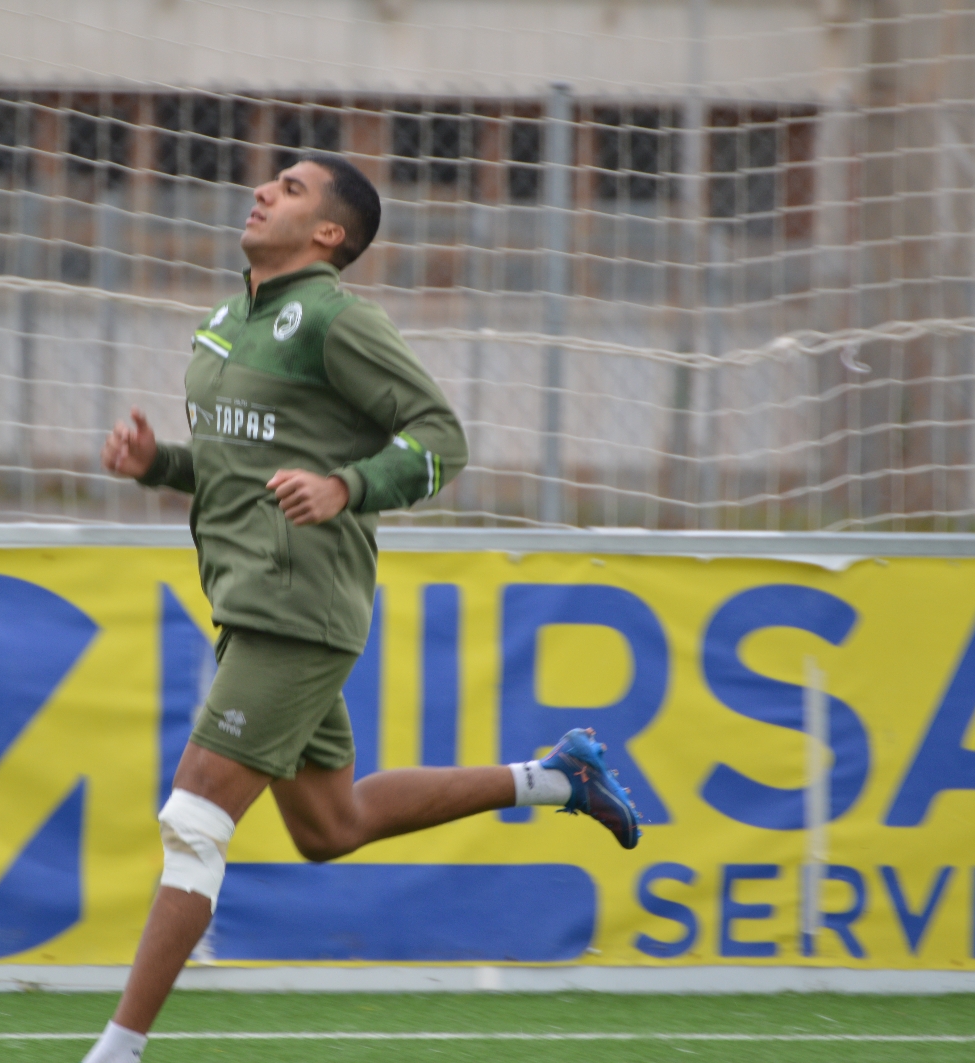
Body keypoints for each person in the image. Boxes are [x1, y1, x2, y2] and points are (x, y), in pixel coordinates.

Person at [88, 152, 639, 1063]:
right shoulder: (229, 320)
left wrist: (348, 485)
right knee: (328, 828)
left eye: (292, 189)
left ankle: (115, 1053)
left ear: (329, 234)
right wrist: (158, 466)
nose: (263, 189)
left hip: (298, 608)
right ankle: (556, 779)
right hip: (253, 603)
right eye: (269, 180)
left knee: (192, 825)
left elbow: (442, 439)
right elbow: (237, 471)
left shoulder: (337, 318)